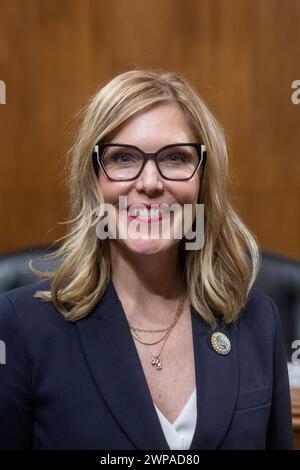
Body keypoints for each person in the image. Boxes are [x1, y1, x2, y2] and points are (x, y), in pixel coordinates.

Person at [0, 70, 294, 450]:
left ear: (203, 179)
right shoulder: (21, 327)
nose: (151, 183)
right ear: (94, 181)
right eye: (123, 158)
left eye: (175, 157)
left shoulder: (257, 321)